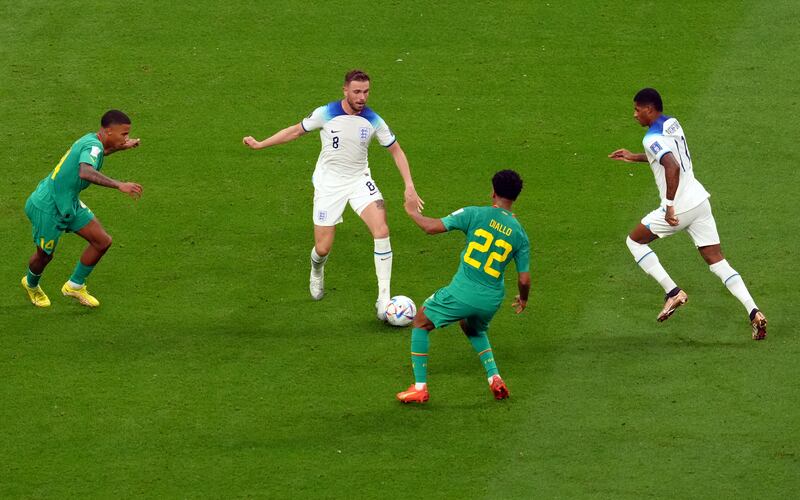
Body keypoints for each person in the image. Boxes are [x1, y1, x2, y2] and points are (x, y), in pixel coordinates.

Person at [243, 69, 423, 320]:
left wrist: (409, 186)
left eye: (366, 92)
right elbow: (295, 131)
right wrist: (261, 143)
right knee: (323, 247)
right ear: (345, 91)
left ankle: (383, 300)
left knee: (381, 231)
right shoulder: (325, 113)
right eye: (357, 92)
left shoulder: (373, 120)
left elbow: (396, 150)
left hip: (359, 180)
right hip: (329, 185)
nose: (362, 97)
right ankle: (317, 269)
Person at [609, 88, 767, 340]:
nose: (634, 115)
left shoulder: (650, 138)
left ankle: (673, 292)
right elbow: (667, 156)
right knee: (717, 261)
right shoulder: (672, 123)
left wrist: (669, 204)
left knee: (634, 241)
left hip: (679, 207)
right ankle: (754, 311)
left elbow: (670, 165)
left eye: (637, 109)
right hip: (700, 201)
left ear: (649, 109)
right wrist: (634, 157)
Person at [396, 170, 531, 403]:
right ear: (516, 197)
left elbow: (431, 227)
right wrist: (523, 298)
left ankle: (419, 388)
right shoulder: (520, 234)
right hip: (491, 300)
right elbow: (524, 279)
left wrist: (411, 211)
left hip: (463, 293)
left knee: (420, 321)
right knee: (473, 328)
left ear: (493, 192)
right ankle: (494, 377)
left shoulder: (474, 214)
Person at [21, 109, 143, 308]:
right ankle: (31, 284)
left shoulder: (92, 140)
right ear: (108, 131)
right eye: (124, 134)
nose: (126, 137)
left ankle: (75, 286)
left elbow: (98, 153)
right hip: (48, 206)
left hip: (68, 202)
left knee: (102, 241)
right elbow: (85, 171)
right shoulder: (93, 146)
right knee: (45, 256)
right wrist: (119, 184)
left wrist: (122, 146)